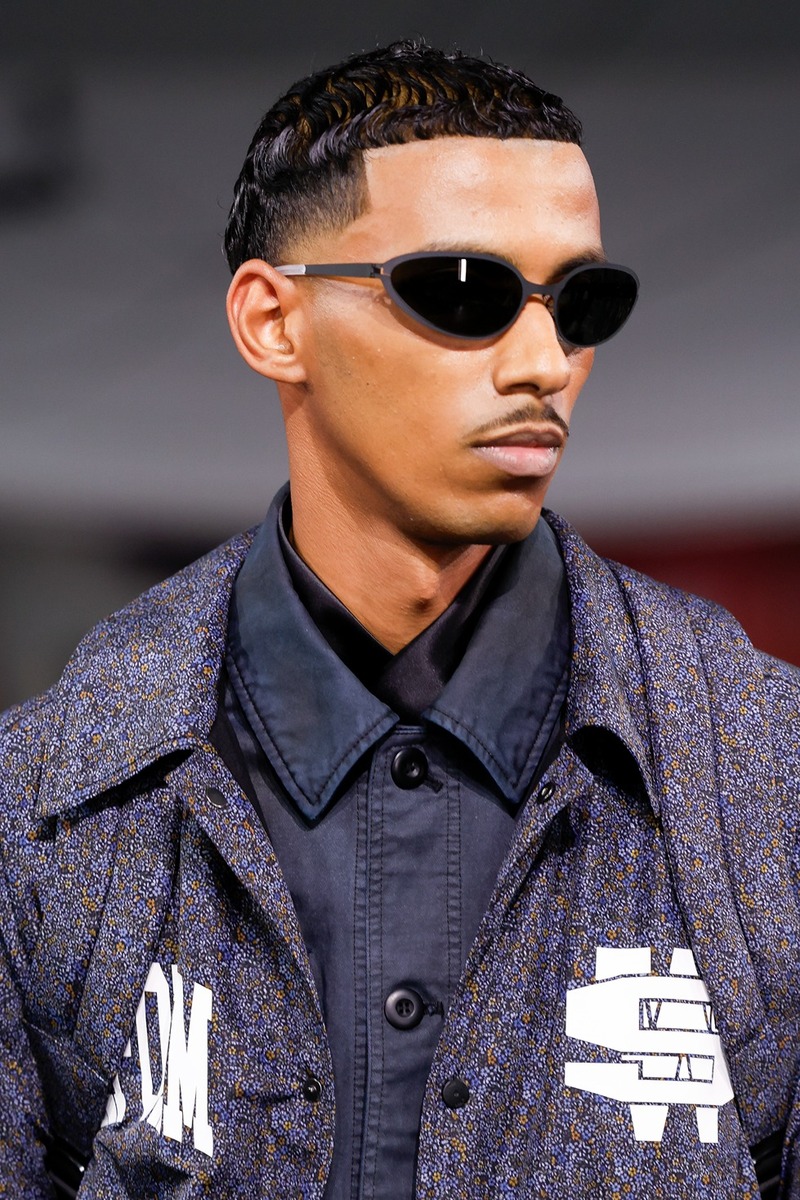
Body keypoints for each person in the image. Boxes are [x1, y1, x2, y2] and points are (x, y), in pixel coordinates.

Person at [0, 39, 797, 1200]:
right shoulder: (45, 809)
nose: (543, 363)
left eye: (581, 304)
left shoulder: (764, 779)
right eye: (462, 293)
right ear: (272, 321)